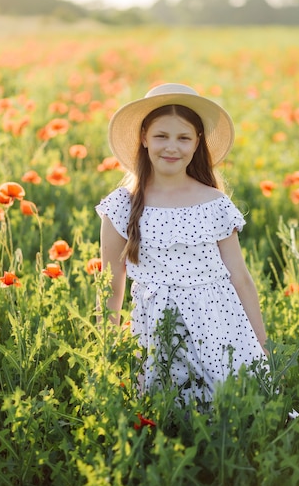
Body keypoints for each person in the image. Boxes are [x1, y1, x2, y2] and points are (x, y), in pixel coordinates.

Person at [96, 83, 268, 404]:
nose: (171, 147)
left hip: (218, 324)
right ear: (144, 138)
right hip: (157, 328)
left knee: (232, 411)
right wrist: (106, 349)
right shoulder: (122, 204)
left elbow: (240, 278)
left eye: (183, 138)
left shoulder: (213, 202)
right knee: (167, 413)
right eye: (161, 136)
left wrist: (260, 343)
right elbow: (110, 286)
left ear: (197, 143)